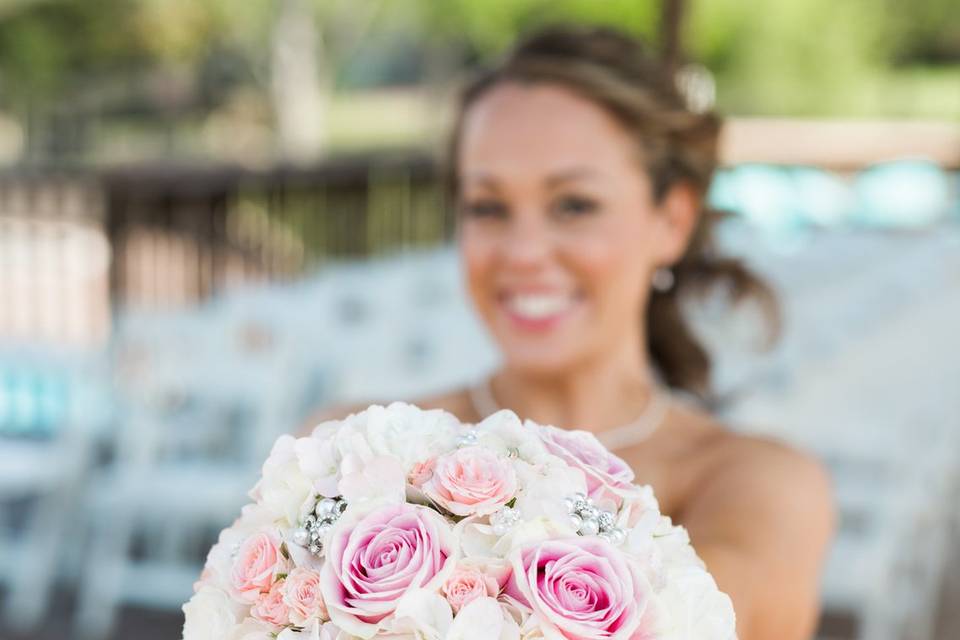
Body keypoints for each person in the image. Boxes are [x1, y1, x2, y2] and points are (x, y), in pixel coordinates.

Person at [307, 25, 834, 640]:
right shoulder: (352, 453)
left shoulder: (757, 485)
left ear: (672, 220)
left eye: (574, 205)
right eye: (488, 206)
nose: (524, 252)